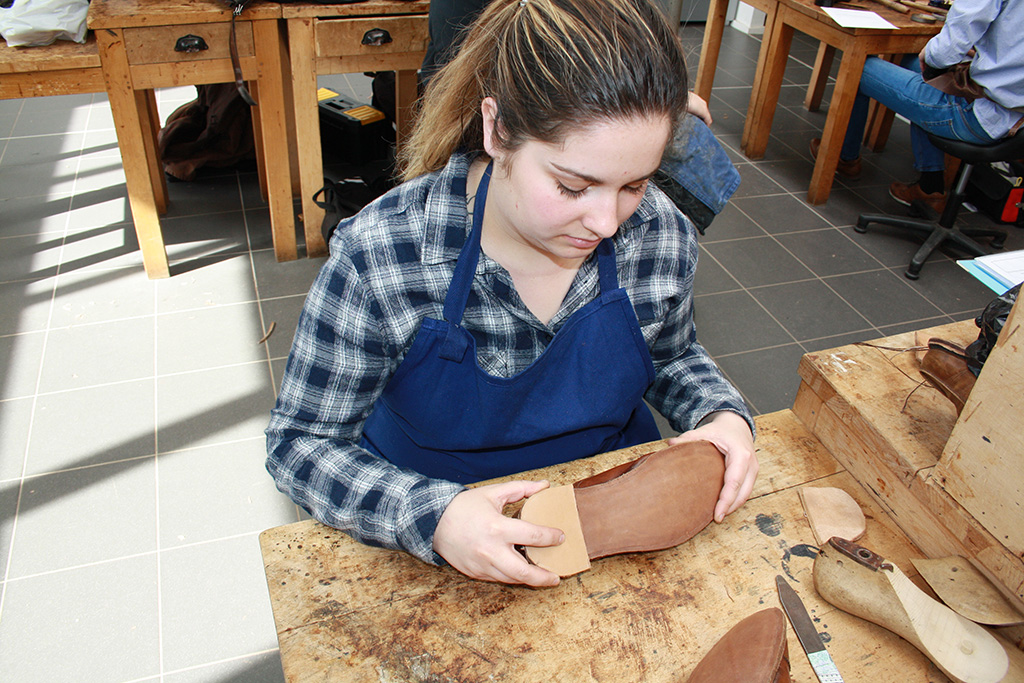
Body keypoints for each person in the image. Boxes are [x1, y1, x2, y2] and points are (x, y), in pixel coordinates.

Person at [266, 0, 756, 589]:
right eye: (574, 186)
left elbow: (672, 356)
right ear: (497, 130)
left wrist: (722, 413)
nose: (607, 221)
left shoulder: (658, 233)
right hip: (444, 523)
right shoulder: (386, 254)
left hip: (613, 511)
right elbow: (301, 443)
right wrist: (434, 517)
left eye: (634, 183)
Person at [813, 0, 1024, 213]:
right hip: (1015, 118)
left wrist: (932, 54)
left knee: (859, 68)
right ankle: (930, 185)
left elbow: (946, 50)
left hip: (980, 115)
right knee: (911, 63)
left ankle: (844, 159)